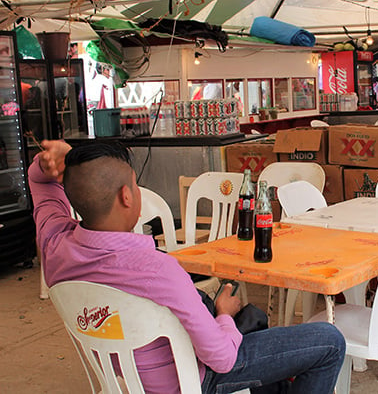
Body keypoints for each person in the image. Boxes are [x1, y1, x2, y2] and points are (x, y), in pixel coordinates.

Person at [31, 140, 345, 394]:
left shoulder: (54, 244)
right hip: (192, 380)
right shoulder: (158, 269)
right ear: (127, 196)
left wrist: (53, 162)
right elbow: (222, 358)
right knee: (329, 341)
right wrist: (223, 315)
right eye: (136, 186)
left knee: (254, 324)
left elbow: (39, 181)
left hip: (125, 378)